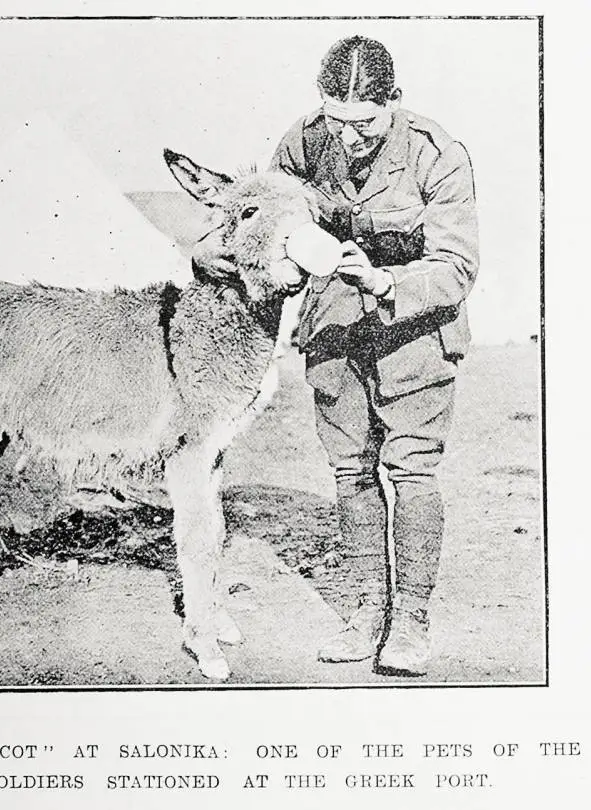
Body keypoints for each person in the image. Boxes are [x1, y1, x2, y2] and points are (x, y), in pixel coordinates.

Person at [192, 35, 479, 676]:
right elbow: (253, 218)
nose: (348, 137)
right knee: (351, 473)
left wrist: (383, 281)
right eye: (337, 120)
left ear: (394, 102)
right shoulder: (301, 141)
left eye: (366, 122)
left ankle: (410, 622)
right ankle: (366, 611)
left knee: (410, 471)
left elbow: (458, 268)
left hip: (415, 331)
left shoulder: (438, 155)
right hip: (334, 329)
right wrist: (208, 253)